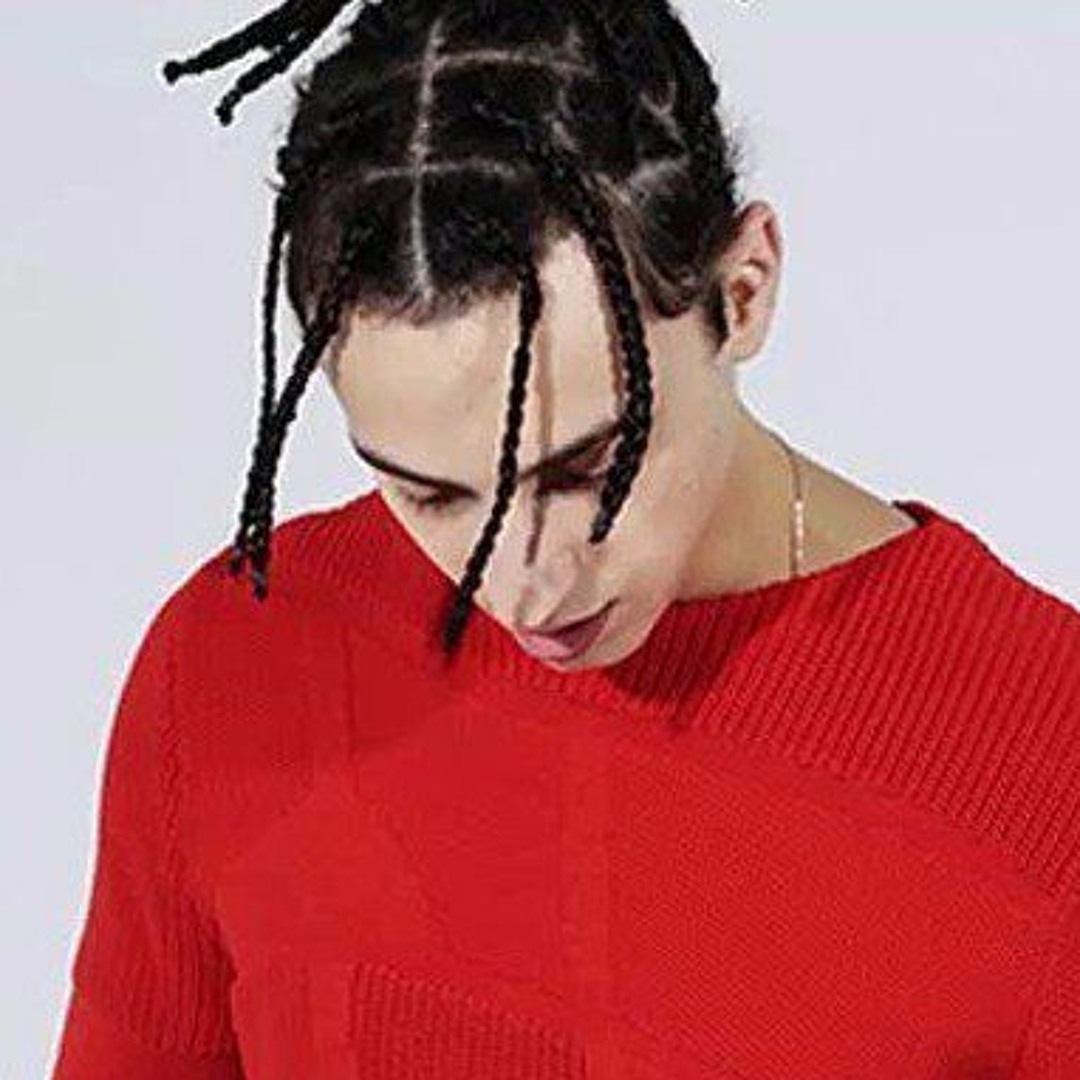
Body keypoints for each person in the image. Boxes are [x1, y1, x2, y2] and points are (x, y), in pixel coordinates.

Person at [51, 2, 1080, 1077]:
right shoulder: (240, 661)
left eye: (586, 471)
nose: (526, 587)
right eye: (430, 495)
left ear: (742, 293)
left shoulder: (1048, 759)